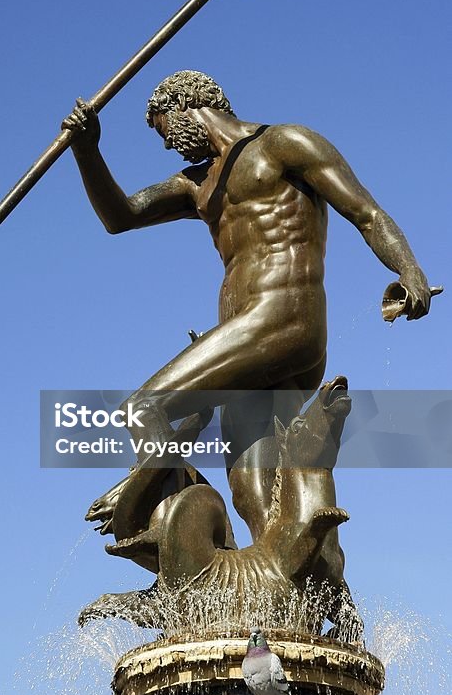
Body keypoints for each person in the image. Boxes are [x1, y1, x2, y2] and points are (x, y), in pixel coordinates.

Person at [62, 70, 432, 540]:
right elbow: (121, 216)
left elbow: (367, 213)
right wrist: (87, 151)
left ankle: (152, 509)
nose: (166, 145)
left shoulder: (284, 144)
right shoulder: (197, 185)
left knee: (143, 406)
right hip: (248, 340)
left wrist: (409, 270)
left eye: (162, 129)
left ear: (185, 106)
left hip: (283, 315)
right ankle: (290, 592)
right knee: (254, 492)